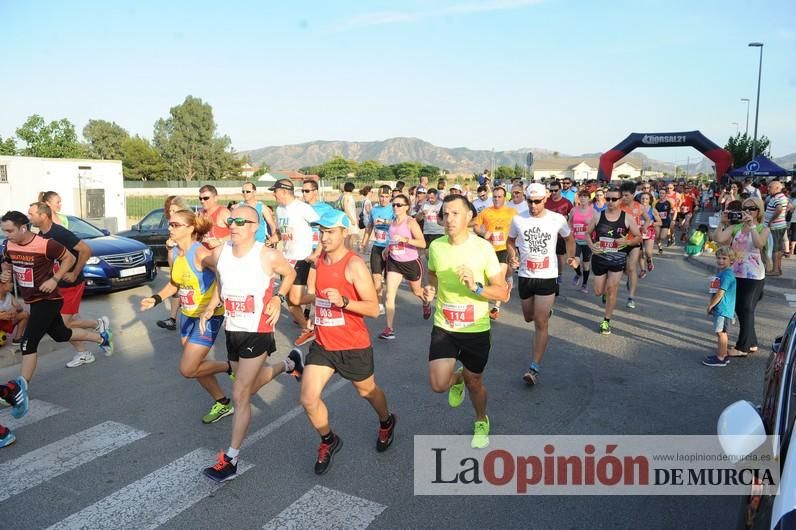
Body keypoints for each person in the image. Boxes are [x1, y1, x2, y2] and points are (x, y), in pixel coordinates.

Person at [200, 205, 304, 482]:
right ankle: (290, 362)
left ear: (254, 226)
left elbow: (290, 274)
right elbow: (222, 284)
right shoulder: (220, 253)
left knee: (240, 392)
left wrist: (277, 297)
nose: (232, 225)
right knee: (246, 386)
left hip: (258, 330)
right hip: (232, 329)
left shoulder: (267, 254)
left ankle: (231, 459)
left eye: (239, 221)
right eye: (230, 220)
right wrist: (212, 307)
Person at [297, 210, 395, 474]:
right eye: (322, 231)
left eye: (330, 232)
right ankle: (329, 440)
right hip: (324, 345)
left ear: (344, 233)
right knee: (308, 398)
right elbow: (314, 297)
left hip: (353, 346)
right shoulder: (319, 262)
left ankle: (386, 421)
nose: (324, 236)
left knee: (367, 391)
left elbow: (374, 309)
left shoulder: (354, 265)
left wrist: (344, 301)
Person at [422, 194, 508, 449]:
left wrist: (476, 287)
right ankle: (455, 378)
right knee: (438, 385)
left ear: (469, 216)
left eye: (455, 213)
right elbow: (433, 274)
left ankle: (481, 419)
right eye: (445, 214)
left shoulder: (483, 248)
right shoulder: (436, 246)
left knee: (475, 382)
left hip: (476, 328)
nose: (449, 219)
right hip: (445, 326)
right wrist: (430, 289)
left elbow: (501, 292)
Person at [0, 210, 112, 405]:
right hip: (32, 300)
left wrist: (55, 278)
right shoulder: (9, 245)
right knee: (60, 334)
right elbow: (7, 263)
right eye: (4, 231)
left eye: (9, 231)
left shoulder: (45, 244)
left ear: (23, 228)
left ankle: (20, 390)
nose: (6, 235)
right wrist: (5, 275)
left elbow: (69, 258)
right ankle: (100, 337)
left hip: (49, 299)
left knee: (29, 342)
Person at [140, 210, 234, 424]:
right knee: (198, 367)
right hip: (187, 316)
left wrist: (214, 303)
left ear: (191, 228)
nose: (170, 228)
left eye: (176, 225)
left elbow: (223, 274)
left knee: (188, 369)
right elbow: (175, 284)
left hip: (207, 317)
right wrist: (155, 298)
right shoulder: (177, 254)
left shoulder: (200, 253)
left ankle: (231, 367)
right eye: (170, 224)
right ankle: (223, 402)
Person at [507, 183, 578, 385]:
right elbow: (510, 241)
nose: (533, 205)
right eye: (530, 201)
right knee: (529, 317)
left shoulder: (557, 219)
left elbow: (570, 238)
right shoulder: (518, 219)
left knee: (540, 321)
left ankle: (534, 367)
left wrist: (572, 257)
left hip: (547, 275)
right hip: (526, 275)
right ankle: (544, 312)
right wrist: (513, 256)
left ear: (545, 199)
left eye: (537, 201)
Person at [27, 202, 110, 368]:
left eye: (31, 214)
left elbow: (86, 250)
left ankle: (98, 329)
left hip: (70, 284)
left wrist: (74, 272)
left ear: (43, 216)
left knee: (63, 326)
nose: (29, 217)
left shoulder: (60, 233)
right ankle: (85, 349)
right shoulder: (41, 235)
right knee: (68, 321)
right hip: (57, 286)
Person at [712, 197, 769, 357]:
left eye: (752, 208)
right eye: (745, 208)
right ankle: (751, 343)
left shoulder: (763, 228)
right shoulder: (736, 227)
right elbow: (718, 238)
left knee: (746, 308)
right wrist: (722, 223)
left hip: (754, 275)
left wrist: (751, 226)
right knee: (740, 309)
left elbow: (759, 244)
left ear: (758, 211)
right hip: (735, 273)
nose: (748, 211)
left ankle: (742, 347)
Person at [584, 189, 642, 335]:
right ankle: (603, 293)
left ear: (620, 200)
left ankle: (606, 321)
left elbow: (639, 237)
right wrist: (591, 246)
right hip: (600, 258)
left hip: (617, 259)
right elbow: (587, 233)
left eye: (613, 199)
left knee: (612, 289)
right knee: (598, 291)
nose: (610, 202)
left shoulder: (627, 218)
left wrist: (627, 241)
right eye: (608, 199)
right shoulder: (598, 216)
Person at [271, 179, 321, 345]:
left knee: (296, 298)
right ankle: (308, 329)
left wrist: (316, 252)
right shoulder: (279, 209)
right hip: (287, 257)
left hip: (301, 257)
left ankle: (323, 299)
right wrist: (273, 239)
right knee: (290, 300)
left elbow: (322, 227)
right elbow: (281, 231)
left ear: (284, 192)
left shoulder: (302, 208)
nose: (273, 194)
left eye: (275, 191)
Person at [379, 194, 427, 340]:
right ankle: (389, 329)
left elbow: (423, 244)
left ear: (406, 207)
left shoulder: (411, 222)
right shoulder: (393, 222)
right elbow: (393, 239)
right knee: (389, 295)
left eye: (399, 205)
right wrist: (387, 248)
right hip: (394, 262)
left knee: (417, 291)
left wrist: (406, 239)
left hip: (411, 262)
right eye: (394, 204)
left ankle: (425, 301)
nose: (395, 207)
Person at [474, 186, 516, 319]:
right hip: (489, 249)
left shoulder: (512, 212)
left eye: (499, 197)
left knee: (500, 275)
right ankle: (506, 283)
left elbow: (519, 228)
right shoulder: (486, 212)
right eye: (495, 197)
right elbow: (475, 226)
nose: (497, 199)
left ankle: (495, 307)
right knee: (490, 278)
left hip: (505, 248)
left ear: (505, 198)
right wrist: (483, 232)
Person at [702, 247, 739, 367]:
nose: (721, 261)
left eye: (724, 258)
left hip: (723, 309)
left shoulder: (727, 275)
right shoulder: (722, 273)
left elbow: (721, 292)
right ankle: (722, 354)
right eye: (718, 258)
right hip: (721, 308)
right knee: (720, 332)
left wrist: (711, 305)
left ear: (731, 260)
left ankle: (721, 358)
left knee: (721, 333)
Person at [157, 196, 190, 331]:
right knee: (176, 289)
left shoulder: (189, 225)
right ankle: (172, 319)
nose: (171, 213)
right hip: (178, 263)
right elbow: (171, 264)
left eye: (174, 210)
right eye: (170, 211)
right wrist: (170, 249)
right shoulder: (172, 230)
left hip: (190, 266)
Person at [360, 185, 393, 316]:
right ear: (378, 196)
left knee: (389, 279)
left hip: (391, 248)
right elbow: (369, 227)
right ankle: (379, 305)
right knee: (376, 277)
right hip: (378, 246)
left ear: (390, 197)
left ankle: (390, 303)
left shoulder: (394, 209)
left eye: (386, 197)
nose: (384, 199)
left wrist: (385, 221)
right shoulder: (374, 210)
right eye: (381, 196)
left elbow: (400, 224)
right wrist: (364, 242)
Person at [619, 181, 650, 309]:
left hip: (635, 241)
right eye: (622, 195)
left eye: (626, 195)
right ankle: (629, 279)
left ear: (632, 195)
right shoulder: (618, 206)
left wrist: (643, 227)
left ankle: (631, 298)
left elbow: (648, 219)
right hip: (620, 241)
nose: (623, 198)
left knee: (632, 268)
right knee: (621, 268)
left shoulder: (639, 207)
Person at [545, 180, 574, 284]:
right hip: (547, 234)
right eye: (551, 191)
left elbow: (573, 215)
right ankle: (549, 273)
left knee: (560, 256)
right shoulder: (546, 201)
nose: (553, 193)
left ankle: (559, 274)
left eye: (555, 190)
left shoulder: (567, 202)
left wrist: (567, 218)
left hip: (561, 235)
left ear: (560, 190)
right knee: (548, 255)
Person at [570, 188, 595, 293]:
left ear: (589, 199)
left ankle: (584, 284)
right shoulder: (574, 210)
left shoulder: (593, 211)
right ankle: (578, 274)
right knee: (574, 261)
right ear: (578, 198)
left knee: (586, 264)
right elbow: (569, 222)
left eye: (585, 197)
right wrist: (568, 232)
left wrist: (590, 224)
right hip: (576, 239)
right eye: (581, 196)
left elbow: (597, 226)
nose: (583, 198)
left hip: (587, 241)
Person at [239, 182, 279, 246]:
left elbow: (272, 225)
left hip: (259, 243)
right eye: (243, 191)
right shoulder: (237, 207)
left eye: (248, 191)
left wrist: (273, 240)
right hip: (243, 243)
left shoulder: (262, 207)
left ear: (254, 192)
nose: (245, 193)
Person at [765, 180, 788, 276]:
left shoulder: (776, 198)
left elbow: (779, 209)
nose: (768, 189)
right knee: (778, 248)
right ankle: (778, 269)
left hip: (775, 227)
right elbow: (790, 206)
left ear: (777, 188)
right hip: (781, 225)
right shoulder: (783, 197)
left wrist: (771, 220)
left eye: (770, 187)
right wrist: (783, 216)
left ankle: (775, 270)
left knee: (775, 249)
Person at [199, 185, 231, 250]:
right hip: (204, 256)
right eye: (200, 198)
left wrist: (219, 241)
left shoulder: (223, 213)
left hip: (220, 257)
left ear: (215, 198)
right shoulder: (200, 213)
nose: (202, 201)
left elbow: (239, 233)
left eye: (206, 198)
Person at [638, 192, 661, 275]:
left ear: (650, 200)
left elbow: (660, 222)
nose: (644, 200)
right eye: (642, 198)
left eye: (646, 198)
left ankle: (649, 260)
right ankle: (643, 270)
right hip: (638, 232)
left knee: (648, 252)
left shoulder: (653, 210)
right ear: (640, 199)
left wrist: (651, 223)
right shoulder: (636, 209)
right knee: (639, 253)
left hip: (649, 232)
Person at [0, 280, 28, 344]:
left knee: (25, 314)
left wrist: (15, 310)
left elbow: (20, 308)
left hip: (5, 322)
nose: (12, 284)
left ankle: (17, 339)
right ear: (1, 285)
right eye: (9, 282)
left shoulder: (9, 295)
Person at [337, 182, 359, 249]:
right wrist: (352, 219)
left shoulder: (348, 196)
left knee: (351, 236)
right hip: (348, 218)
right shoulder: (346, 197)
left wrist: (355, 218)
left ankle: (350, 250)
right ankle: (347, 250)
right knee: (347, 236)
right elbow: (346, 209)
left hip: (352, 217)